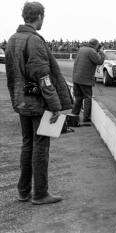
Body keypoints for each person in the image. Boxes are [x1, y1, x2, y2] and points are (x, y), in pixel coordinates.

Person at [5, 2, 72, 205]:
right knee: (41, 146)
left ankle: (23, 191)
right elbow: (43, 77)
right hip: (38, 102)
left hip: (21, 101)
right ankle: (40, 193)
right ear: (39, 16)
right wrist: (54, 106)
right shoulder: (34, 40)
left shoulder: (12, 39)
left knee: (27, 144)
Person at [71, 39, 105, 122]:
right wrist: (101, 52)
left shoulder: (82, 49)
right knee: (87, 97)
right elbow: (99, 61)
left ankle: (74, 115)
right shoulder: (92, 51)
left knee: (78, 97)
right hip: (85, 79)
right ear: (95, 45)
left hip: (76, 77)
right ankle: (86, 117)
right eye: (98, 45)